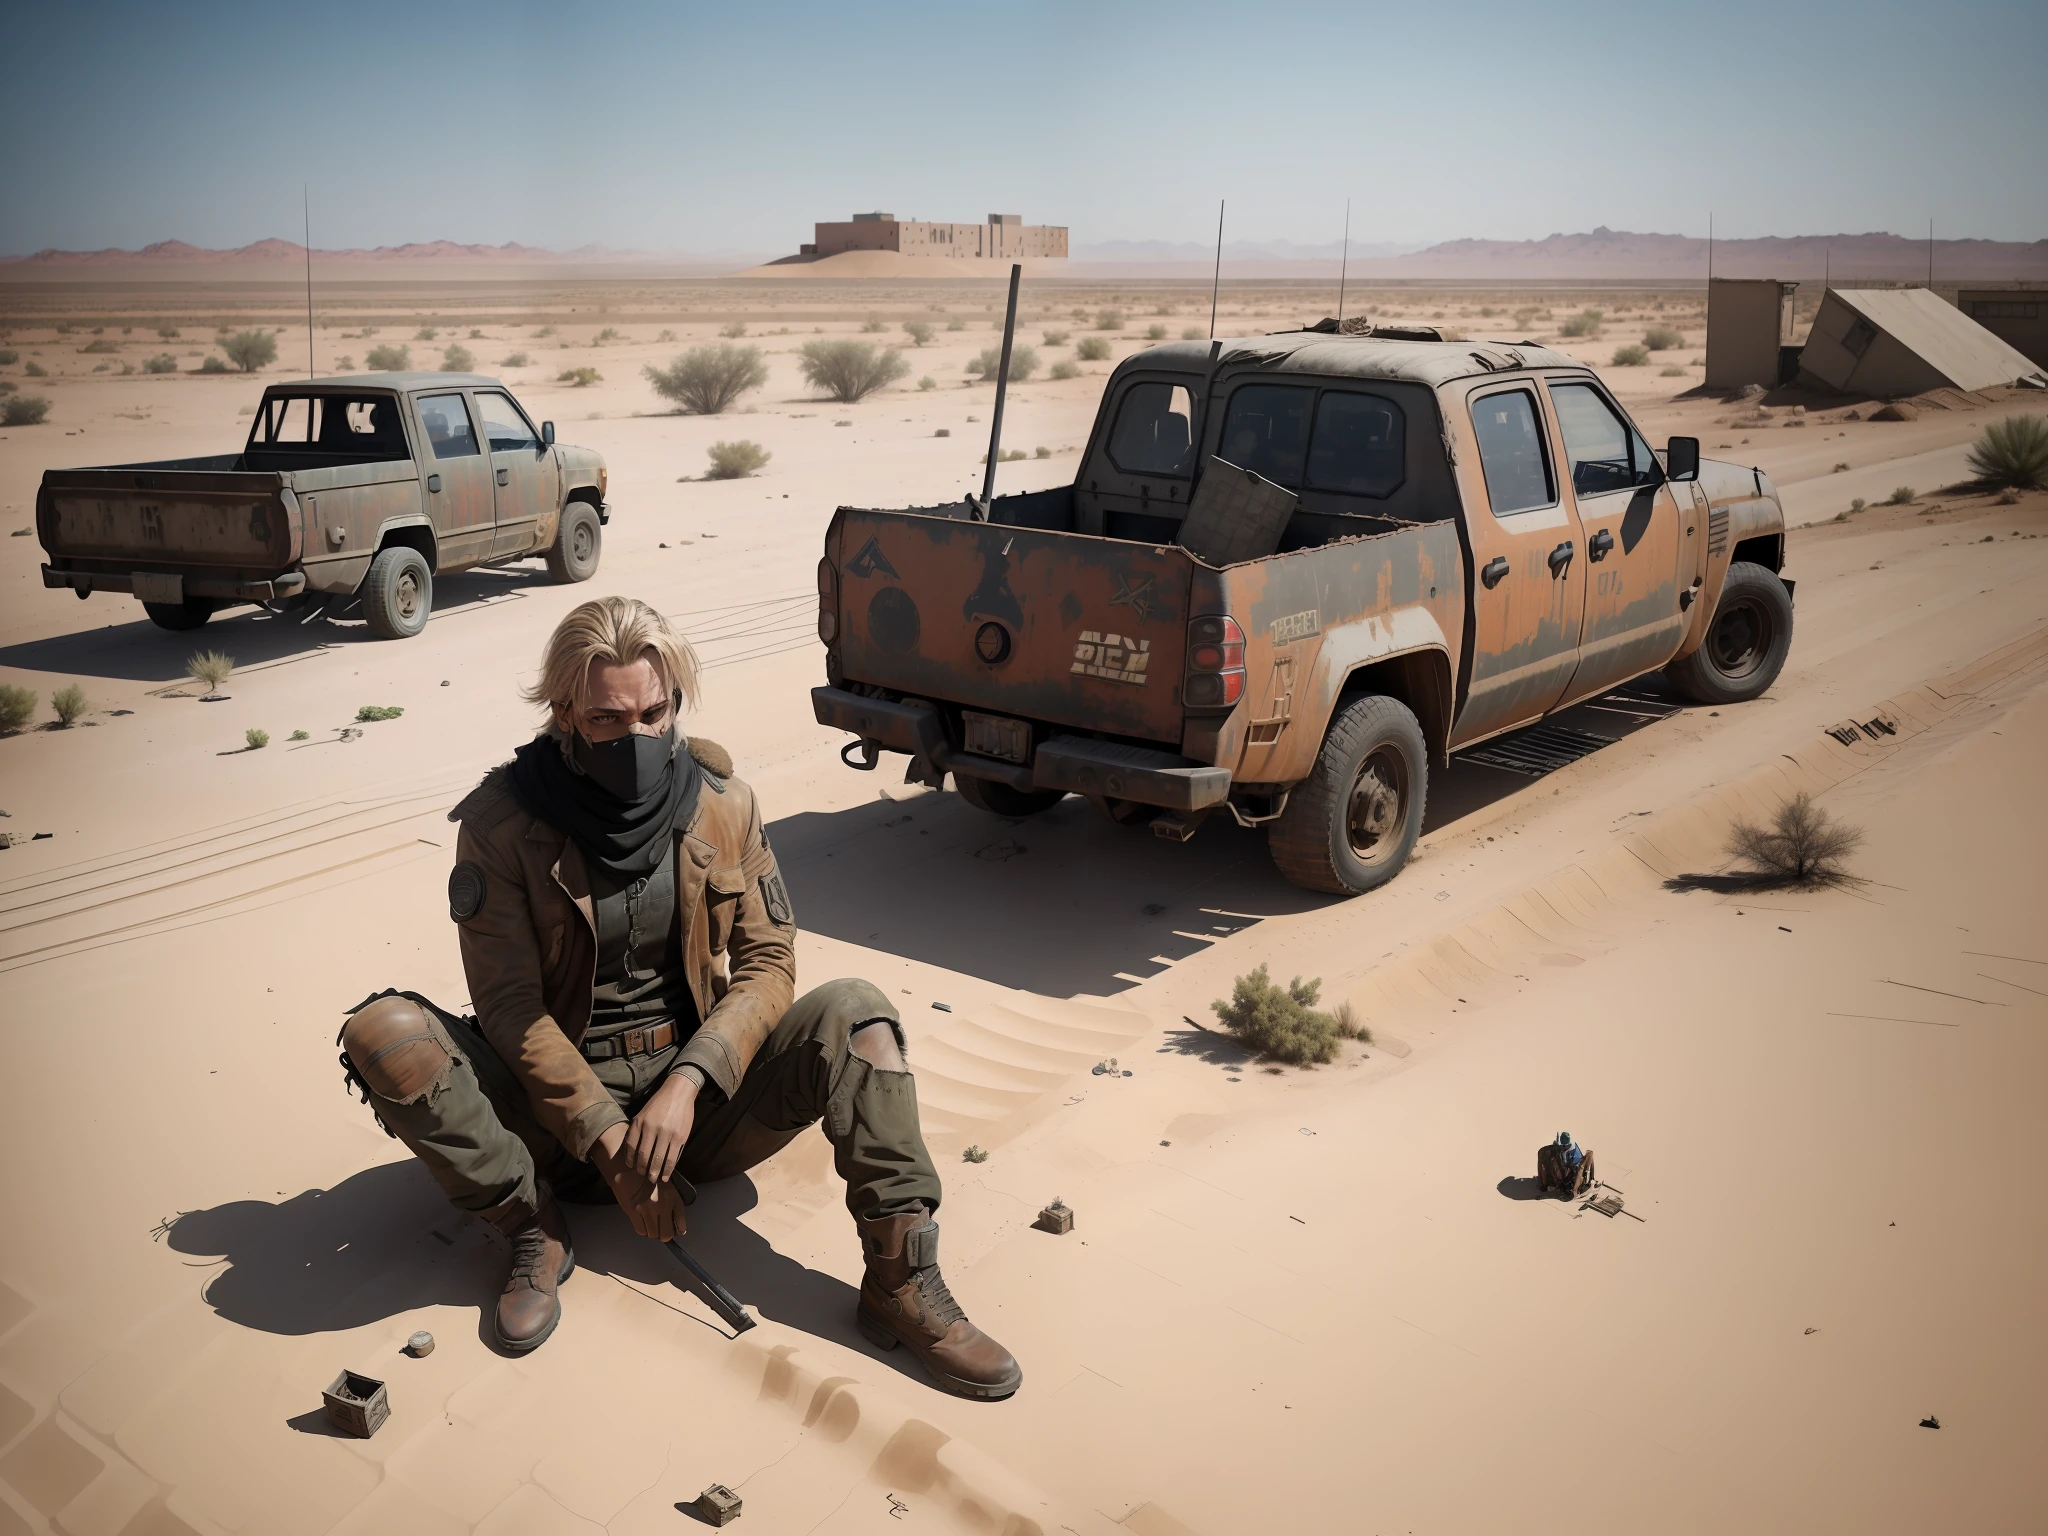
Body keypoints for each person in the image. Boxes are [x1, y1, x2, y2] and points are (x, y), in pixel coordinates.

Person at [337, 596, 1019, 1400]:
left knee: (861, 1016)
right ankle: (533, 1230)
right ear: (563, 713)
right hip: (552, 1127)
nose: (639, 736)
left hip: (696, 1114)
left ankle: (901, 1282)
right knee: (385, 1033)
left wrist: (688, 1086)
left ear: (675, 702)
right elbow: (512, 1007)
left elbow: (768, 962)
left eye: (655, 712)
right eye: (607, 719)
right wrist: (607, 1142)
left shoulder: (723, 805)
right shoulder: (502, 822)